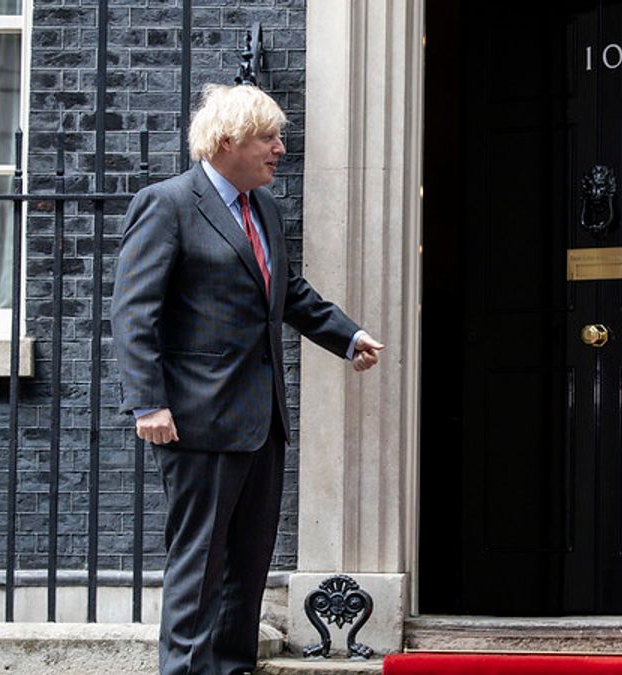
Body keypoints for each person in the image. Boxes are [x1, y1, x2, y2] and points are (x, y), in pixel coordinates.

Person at [111, 83, 384, 675]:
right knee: (200, 564)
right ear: (227, 141)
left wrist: (347, 336)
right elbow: (134, 312)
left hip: (262, 420)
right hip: (197, 420)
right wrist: (147, 403)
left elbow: (288, 293)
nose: (280, 148)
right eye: (268, 137)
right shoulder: (168, 204)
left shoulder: (263, 209)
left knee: (249, 562)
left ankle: (232, 667)